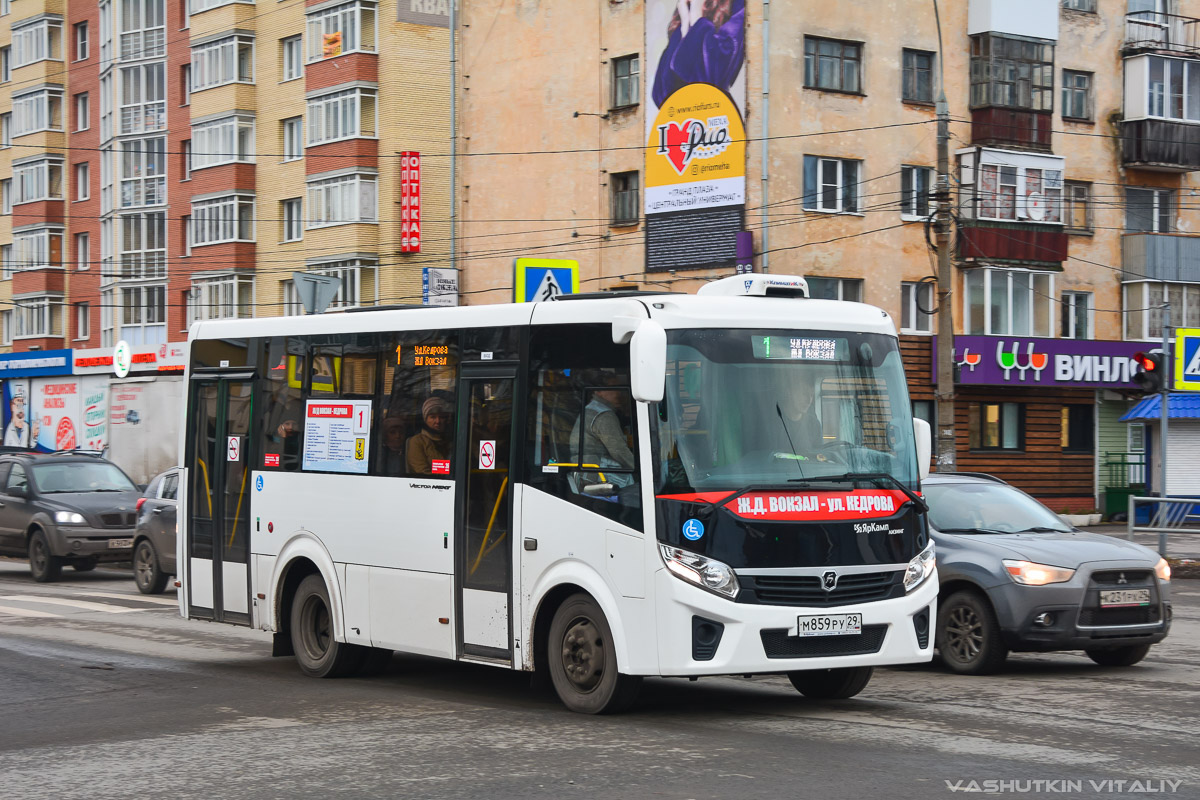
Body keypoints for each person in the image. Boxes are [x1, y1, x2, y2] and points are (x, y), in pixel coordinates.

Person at [651, 0, 746, 109]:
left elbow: (716, 77)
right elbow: (660, 95)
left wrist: (697, 20)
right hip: (683, 120)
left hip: (716, 117)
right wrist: (685, 27)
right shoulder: (684, 9)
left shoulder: (737, 5)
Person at [569, 374, 636, 492]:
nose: (618, 393)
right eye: (613, 388)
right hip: (600, 476)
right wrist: (639, 468)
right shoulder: (604, 415)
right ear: (598, 391)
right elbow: (619, 451)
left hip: (584, 474)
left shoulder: (590, 409)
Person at [776, 375, 824, 454]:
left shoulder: (814, 425)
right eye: (804, 394)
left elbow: (818, 457)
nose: (809, 400)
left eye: (811, 395)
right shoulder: (773, 423)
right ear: (789, 393)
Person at [406, 396, 452, 475]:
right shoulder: (417, 441)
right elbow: (422, 472)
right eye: (433, 417)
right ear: (425, 419)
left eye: (441, 417)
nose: (437, 421)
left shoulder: (451, 440)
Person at [3, 383, 39, 448]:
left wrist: (34, 435)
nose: (21, 409)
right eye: (18, 405)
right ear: (12, 406)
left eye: (22, 405)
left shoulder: (27, 427)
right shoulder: (7, 428)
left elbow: (32, 445)